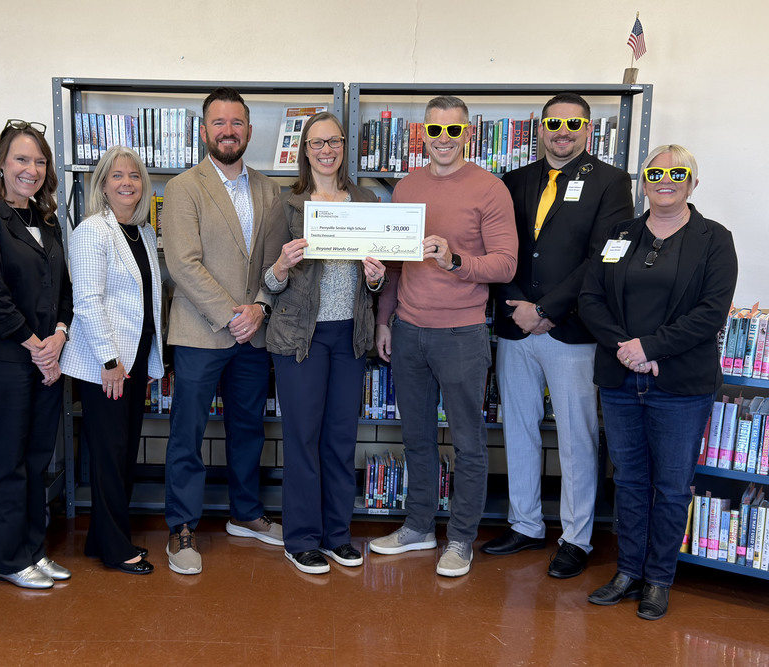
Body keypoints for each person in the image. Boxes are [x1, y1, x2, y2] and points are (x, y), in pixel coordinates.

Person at [580, 145, 737, 620]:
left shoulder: (714, 238)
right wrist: (627, 349)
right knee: (628, 481)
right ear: (643, 179)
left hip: (680, 384)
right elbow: (590, 300)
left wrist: (650, 348)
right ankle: (628, 571)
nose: (664, 180)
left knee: (670, 487)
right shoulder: (619, 233)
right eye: (655, 171)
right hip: (620, 377)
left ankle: (658, 580)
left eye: (677, 172)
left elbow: (711, 313)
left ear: (692, 181)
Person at [482, 94, 634, 578]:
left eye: (572, 123)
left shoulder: (611, 182)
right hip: (514, 325)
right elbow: (497, 251)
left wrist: (546, 310)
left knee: (576, 437)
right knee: (519, 429)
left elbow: (603, 257)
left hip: (572, 329)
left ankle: (577, 537)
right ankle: (525, 524)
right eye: (553, 122)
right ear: (540, 127)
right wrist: (521, 309)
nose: (561, 131)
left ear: (587, 129)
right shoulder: (514, 181)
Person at [368, 95, 518, 578]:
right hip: (410, 332)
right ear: (423, 134)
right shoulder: (407, 187)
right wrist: (385, 319)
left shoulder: (490, 189)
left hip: (462, 333)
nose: (444, 140)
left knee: (469, 444)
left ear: (467, 134)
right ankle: (417, 527)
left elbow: (505, 263)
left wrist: (456, 260)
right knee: (416, 439)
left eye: (454, 131)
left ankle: (461, 539)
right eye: (436, 131)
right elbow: (393, 266)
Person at [161, 87, 283, 575]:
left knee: (248, 429)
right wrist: (232, 313)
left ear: (249, 132)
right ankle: (182, 527)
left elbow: (278, 262)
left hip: (253, 333)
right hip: (200, 333)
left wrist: (259, 308)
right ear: (204, 130)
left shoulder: (270, 189)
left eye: (237, 123)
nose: (228, 130)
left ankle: (245, 512)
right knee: (187, 434)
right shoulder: (183, 187)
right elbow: (182, 263)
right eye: (219, 122)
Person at [261, 112, 386, 575]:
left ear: (343, 147)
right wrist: (281, 266)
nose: (326, 150)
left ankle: (337, 536)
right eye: (317, 143)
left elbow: (374, 281)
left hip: (349, 335)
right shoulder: (287, 205)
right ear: (305, 150)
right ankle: (301, 539)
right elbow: (267, 281)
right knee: (302, 439)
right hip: (300, 338)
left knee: (340, 440)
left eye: (334, 141)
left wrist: (375, 280)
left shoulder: (366, 200)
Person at [0, 119, 72, 589]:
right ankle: (9, 559)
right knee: (8, 461)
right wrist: (37, 348)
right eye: (21, 159)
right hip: (8, 360)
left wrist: (59, 338)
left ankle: (34, 550)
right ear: (1, 164)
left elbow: (65, 291)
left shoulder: (46, 221)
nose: (31, 169)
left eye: (39, 161)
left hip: (49, 357)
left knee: (37, 458)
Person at [59, 146, 163, 575]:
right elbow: (86, 301)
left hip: (133, 362)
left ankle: (101, 539)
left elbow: (148, 303)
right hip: (108, 365)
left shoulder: (140, 232)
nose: (127, 183)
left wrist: (149, 364)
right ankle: (117, 549)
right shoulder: (92, 231)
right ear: (102, 184)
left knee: (121, 454)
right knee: (109, 454)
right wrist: (109, 360)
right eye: (117, 176)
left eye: (134, 176)